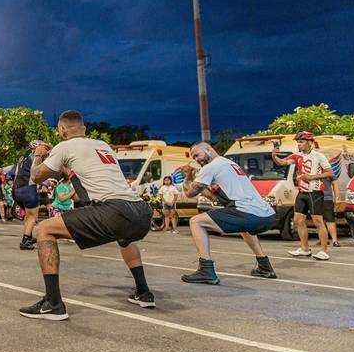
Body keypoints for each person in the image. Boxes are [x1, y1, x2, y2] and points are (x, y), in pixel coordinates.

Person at [19, 111, 155, 321]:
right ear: (84, 128)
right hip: (140, 211)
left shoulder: (64, 147)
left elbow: (36, 176)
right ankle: (144, 292)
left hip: (114, 210)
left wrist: (38, 154)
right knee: (124, 238)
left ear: (61, 130)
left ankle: (53, 304)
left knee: (44, 229)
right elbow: (74, 170)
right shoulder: (103, 145)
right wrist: (55, 155)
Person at [179, 142, 277, 285]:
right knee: (243, 226)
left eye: (197, 155)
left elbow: (190, 193)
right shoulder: (229, 164)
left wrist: (188, 176)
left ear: (208, 149)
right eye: (194, 158)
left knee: (196, 222)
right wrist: (197, 180)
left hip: (249, 214)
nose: (196, 159)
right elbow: (213, 197)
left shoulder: (211, 167)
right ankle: (264, 266)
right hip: (267, 215)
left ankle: (206, 270)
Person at [272, 131, 334, 261]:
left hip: (315, 192)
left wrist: (311, 177)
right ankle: (305, 249)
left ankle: (324, 250)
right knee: (298, 220)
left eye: (301, 142)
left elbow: (329, 173)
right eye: (298, 142)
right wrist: (274, 155)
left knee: (318, 221)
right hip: (302, 192)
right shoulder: (297, 156)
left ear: (310, 142)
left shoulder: (319, 156)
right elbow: (281, 162)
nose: (299, 144)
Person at [13, 140, 47, 251]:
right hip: (28, 189)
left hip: (16, 189)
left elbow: (16, 174)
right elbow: (37, 174)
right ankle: (25, 241)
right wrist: (47, 182)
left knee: (28, 216)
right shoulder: (35, 158)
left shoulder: (22, 158)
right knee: (33, 217)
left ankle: (29, 235)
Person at [321, 174, 340, 248]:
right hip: (315, 198)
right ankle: (323, 239)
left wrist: (337, 197)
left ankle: (334, 240)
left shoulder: (328, 171)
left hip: (327, 198)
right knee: (319, 219)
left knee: (330, 219)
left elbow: (335, 183)